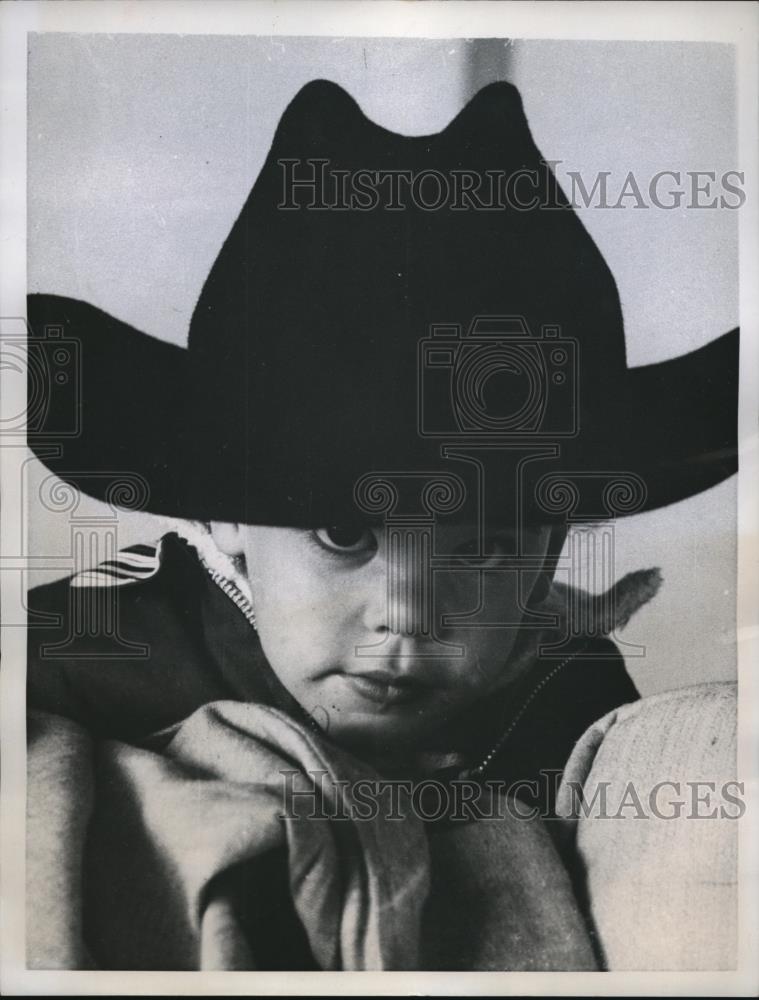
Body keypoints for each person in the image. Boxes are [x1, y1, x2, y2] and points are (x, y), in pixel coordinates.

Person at [25, 80, 738, 971]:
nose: (407, 612)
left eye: (480, 546)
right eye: (343, 537)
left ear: (547, 551)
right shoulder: (88, 647)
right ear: (222, 514)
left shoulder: (565, 680)